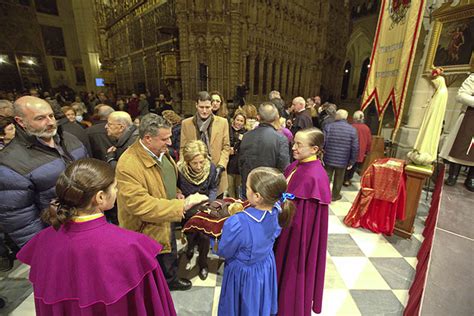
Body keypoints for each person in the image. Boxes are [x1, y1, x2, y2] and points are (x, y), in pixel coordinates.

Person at [16, 158, 177, 315]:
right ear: (100, 197)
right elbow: (154, 306)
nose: (117, 191)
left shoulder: (42, 242)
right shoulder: (133, 246)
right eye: (115, 187)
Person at [116, 113, 208, 291]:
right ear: (148, 138)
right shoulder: (128, 164)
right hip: (147, 227)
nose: (170, 143)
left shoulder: (160, 152)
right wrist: (183, 205)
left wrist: (177, 193)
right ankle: (161, 290)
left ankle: (170, 280)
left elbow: (165, 179)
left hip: (166, 215)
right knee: (154, 264)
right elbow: (139, 205)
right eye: (164, 139)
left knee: (169, 251)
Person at [0, 96, 87, 251]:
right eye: (40, 118)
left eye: (51, 116)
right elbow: (20, 219)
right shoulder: (10, 162)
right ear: (20, 122)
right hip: (58, 237)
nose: (50, 122)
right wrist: (42, 251)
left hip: (88, 225)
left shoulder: (69, 139)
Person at [214, 167, 295, 316]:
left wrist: (214, 241)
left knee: (243, 305)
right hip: (264, 265)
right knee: (257, 303)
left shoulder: (238, 222)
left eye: (247, 188)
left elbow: (225, 251)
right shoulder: (278, 209)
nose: (245, 191)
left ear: (257, 196)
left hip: (243, 273)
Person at [275, 127, 331, 316]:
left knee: (292, 271)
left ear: (314, 149)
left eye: (299, 145)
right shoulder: (295, 166)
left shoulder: (315, 176)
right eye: (294, 143)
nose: (294, 148)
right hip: (284, 228)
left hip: (297, 237)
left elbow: (306, 218)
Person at [177, 140, 218, 280]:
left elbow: (213, 187)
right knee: (190, 234)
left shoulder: (211, 168)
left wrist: (210, 202)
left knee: (205, 237)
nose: (199, 166)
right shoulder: (180, 170)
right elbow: (176, 187)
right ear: (187, 161)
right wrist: (178, 193)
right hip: (187, 209)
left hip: (204, 209)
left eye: (201, 162)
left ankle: (203, 263)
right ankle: (189, 248)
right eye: (195, 163)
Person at [181, 91, 231, 197]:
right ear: (196, 105)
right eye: (201, 107)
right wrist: (182, 168)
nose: (204, 111)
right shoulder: (186, 123)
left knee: (215, 209)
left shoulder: (222, 122)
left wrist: (221, 167)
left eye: (207, 107)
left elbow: (226, 147)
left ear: (212, 106)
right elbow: (183, 148)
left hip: (216, 173)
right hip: (194, 176)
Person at [239, 102, 290, 198]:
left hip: (249, 187)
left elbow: (241, 164)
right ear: (276, 117)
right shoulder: (281, 139)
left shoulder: (246, 136)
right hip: (269, 191)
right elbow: (284, 167)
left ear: (258, 117)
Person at [439, 73, 474, 191]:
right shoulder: (473, 78)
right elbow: (461, 96)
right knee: (460, 145)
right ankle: (453, 175)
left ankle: (471, 178)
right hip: (469, 117)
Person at [407, 68, 448, 166]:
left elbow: (435, 111)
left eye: (435, 83)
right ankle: (420, 148)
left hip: (433, 121)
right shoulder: (439, 92)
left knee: (429, 131)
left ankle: (424, 150)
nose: (434, 86)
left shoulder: (442, 93)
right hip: (430, 118)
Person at [323, 109, 359, 201]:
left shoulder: (329, 126)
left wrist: (322, 154)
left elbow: (323, 142)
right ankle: (335, 196)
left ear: (337, 116)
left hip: (329, 157)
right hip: (343, 159)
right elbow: (355, 147)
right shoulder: (352, 130)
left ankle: (324, 194)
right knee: (339, 178)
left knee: (326, 177)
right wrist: (352, 161)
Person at [344, 110, 372, 186]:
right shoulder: (366, 128)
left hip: (350, 149)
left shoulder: (351, 127)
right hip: (360, 150)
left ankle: (345, 178)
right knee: (354, 165)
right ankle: (348, 178)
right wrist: (367, 151)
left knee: (347, 165)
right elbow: (369, 141)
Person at [227, 111, 247, 198]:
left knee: (238, 188)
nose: (239, 122)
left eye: (241, 121)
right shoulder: (228, 130)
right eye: (237, 120)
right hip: (229, 164)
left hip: (239, 165)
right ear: (234, 120)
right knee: (230, 187)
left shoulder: (246, 133)